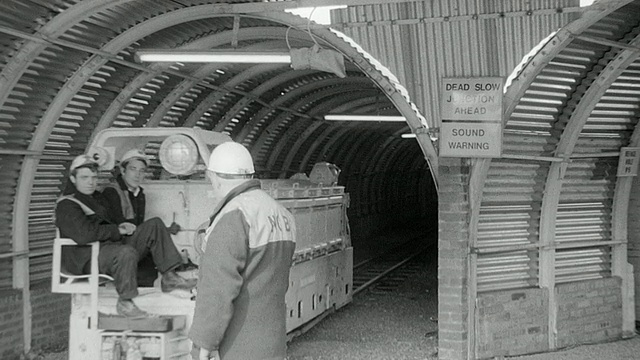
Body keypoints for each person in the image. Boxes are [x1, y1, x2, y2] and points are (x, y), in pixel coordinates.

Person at [189, 142, 297, 360]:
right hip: (272, 343)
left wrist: (204, 343)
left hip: (237, 347)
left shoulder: (233, 217)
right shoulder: (282, 214)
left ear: (215, 177)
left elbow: (217, 289)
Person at [55, 154, 196, 317]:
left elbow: (108, 225)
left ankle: (169, 277)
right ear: (73, 179)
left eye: (94, 177)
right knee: (125, 252)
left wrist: (120, 227)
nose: (90, 182)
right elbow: (83, 235)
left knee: (154, 225)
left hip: (106, 249)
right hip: (86, 257)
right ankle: (125, 302)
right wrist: (117, 230)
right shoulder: (67, 205)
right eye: (84, 177)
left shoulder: (95, 199)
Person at [101, 149, 181, 286]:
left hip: (127, 244)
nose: (137, 174)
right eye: (133, 169)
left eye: (142, 171)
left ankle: (170, 275)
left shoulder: (139, 195)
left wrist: (165, 231)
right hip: (115, 249)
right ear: (123, 170)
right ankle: (170, 275)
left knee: (154, 240)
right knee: (155, 223)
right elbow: (117, 229)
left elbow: (137, 229)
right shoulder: (112, 192)